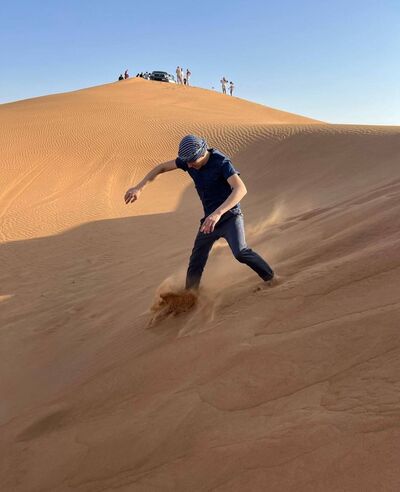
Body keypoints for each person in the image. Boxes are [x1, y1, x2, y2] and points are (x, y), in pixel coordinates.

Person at [124, 134, 275, 291]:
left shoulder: (221, 162)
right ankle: (190, 295)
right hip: (209, 222)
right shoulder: (188, 161)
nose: (189, 166)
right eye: (186, 162)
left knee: (240, 252)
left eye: (192, 162)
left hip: (230, 217)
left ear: (202, 154)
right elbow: (161, 167)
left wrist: (218, 213)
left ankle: (271, 278)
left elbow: (241, 189)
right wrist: (139, 187)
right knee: (196, 260)